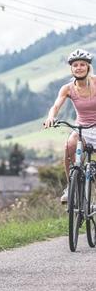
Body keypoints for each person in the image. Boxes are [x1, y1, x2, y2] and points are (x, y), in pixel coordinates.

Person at [44, 48, 96, 203]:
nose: (79, 67)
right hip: (81, 128)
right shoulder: (67, 89)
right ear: (71, 68)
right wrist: (51, 117)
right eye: (75, 65)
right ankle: (71, 186)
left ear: (88, 67)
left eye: (82, 64)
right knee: (68, 147)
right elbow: (55, 106)